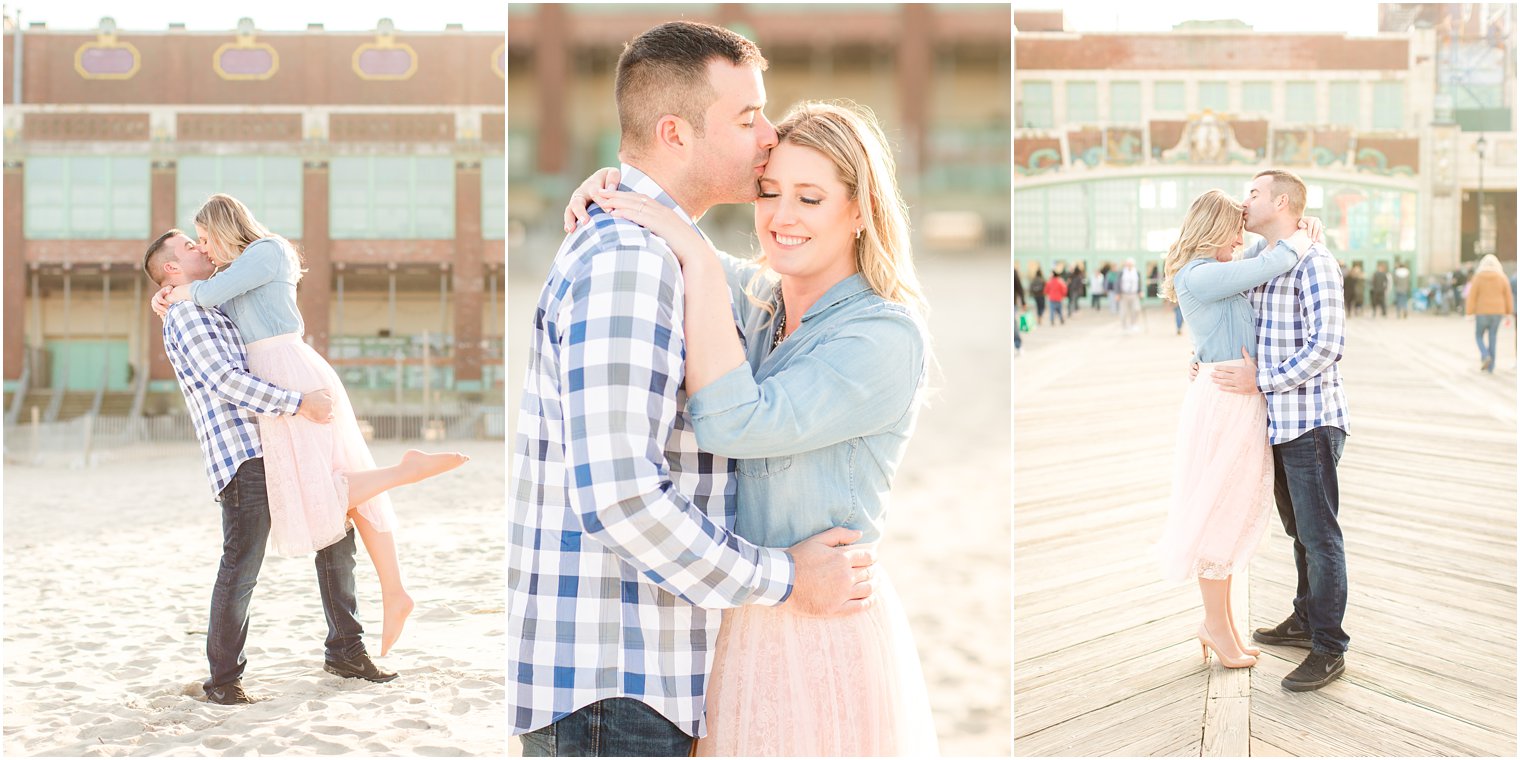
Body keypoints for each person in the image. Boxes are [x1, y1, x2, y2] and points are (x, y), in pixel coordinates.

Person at [511, 22, 877, 757]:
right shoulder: (630, 262)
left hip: (639, 680)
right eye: (747, 119)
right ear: (675, 133)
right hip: (615, 687)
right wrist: (784, 578)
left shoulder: (663, 252)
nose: (767, 136)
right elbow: (619, 496)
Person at [578, 99, 937, 757]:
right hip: (738, 621)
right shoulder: (757, 301)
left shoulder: (883, 335)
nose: (782, 217)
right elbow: (670, 239)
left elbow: (734, 424)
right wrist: (611, 185)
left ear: (860, 210)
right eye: (769, 192)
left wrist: (691, 248)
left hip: (822, 627)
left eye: (810, 197)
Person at [151, 196, 469, 658]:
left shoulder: (267, 251)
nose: (203, 248)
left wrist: (176, 291)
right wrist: (171, 292)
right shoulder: (223, 280)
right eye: (193, 245)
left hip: (291, 375)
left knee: (326, 490)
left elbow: (202, 294)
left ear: (223, 227)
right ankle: (391, 593)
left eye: (204, 238)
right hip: (276, 390)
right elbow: (202, 302)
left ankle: (401, 509)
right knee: (330, 497)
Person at [142, 231, 400, 704]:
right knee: (241, 566)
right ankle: (222, 680)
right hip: (246, 454)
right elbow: (225, 380)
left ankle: (346, 650)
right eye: (189, 246)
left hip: (282, 439)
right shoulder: (187, 314)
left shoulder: (208, 301)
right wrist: (299, 402)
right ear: (172, 268)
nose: (201, 247)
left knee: (337, 535)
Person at [1159, 189, 1314, 670]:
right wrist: (1302, 239)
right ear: (1215, 232)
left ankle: (1220, 625)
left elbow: (1249, 264)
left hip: (1235, 395)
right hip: (1225, 401)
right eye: (1235, 231)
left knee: (1229, 509)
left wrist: (1199, 358)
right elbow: (1264, 264)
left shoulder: (1208, 272)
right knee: (1217, 514)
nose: (1241, 239)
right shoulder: (1201, 274)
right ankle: (1215, 626)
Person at [1210, 169, 1350, 693]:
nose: (1244, 202)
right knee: (1300, 534)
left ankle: (1330, 647)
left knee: (1320, 536)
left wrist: (1259, 380)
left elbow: (1327, 345)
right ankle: (1304, 617)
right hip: (1275, 422)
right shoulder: (1259, 263)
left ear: (1282, 201)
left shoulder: (1316, 262)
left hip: (1312, 420)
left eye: (1253, 193)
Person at [1466, 254, 1514, 373]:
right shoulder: (1502, 277)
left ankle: (1485, 354)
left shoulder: (1478, 277)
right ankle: (1491, 367)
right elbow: (1508, 296)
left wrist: (1469, 312)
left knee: (1478, 335)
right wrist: (1508, 312)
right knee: (1493, 337)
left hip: (1481, 311)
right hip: (1497, 312)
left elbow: (1472, 296)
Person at [1117, 258, 1142, 333]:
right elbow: (1117, 283)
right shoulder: (1121, 272)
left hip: (1134, 294)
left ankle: (1134, 324)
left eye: (1131, 264)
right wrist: (1117, 293)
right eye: (1128, 264)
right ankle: (1124, 326)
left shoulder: (1137, 272)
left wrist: (1140, 291)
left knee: (1136, 309)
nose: (1129, 265)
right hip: (1124, 294)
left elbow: (1139, 282)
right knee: (1123, 311)